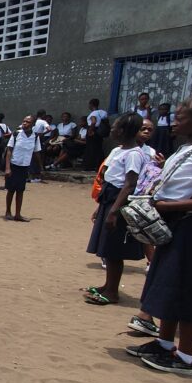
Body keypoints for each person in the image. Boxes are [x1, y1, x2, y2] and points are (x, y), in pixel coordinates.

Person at [124, 96, 192, 376]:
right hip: (177, 225)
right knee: (170, 287)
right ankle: (163, 343)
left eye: (182, 117)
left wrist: (171, 206)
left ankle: (185, 358)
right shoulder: (187, 147)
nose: (175, 122)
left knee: (189, 292)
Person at [83, 113, 147, 306]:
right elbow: (108, 177)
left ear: (123, 130)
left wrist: (114, 211)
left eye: (115, 127)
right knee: (106, 247)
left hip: (119, 201)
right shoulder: (117, 150)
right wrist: (101, 207)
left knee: (113, 249)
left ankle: (112, 292)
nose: (111, 130)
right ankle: (107, 284)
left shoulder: (134, 154)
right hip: (109, 198)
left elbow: (129, 184)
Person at [4, 115, 42, 222]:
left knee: (20, 190)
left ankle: (18, 214)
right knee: (11, 190)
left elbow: (37, 152)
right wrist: (7, 168)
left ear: (33, 124)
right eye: (24, 121)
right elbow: (9, 151)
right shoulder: (16, 134)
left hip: (24, 167)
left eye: (28, 122)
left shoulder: (35, 137)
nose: (25, 123)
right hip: (13, 165)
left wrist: (40, 167)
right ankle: (8, 212)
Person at [84, 98, 108, 172]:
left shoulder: (93, 113)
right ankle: (100, 166)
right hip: (99, 132)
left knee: (91, 149)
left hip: (93, 130)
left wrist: (90, 130)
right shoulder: (103, 112)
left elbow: (93, 122)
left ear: (91, 104)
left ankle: (91, 167)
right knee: (98, 149)